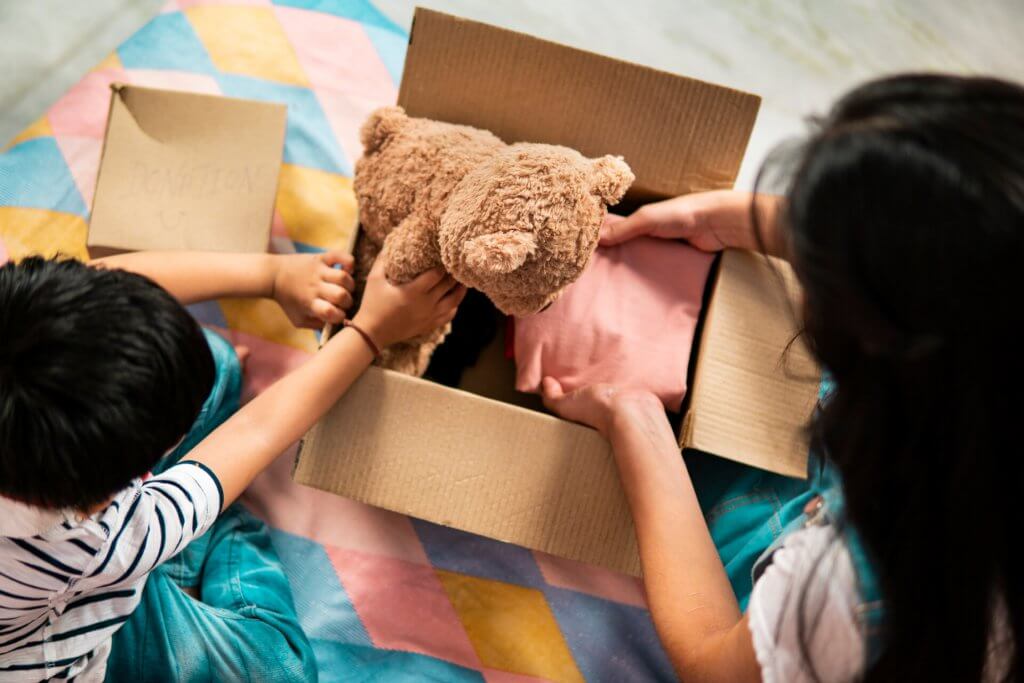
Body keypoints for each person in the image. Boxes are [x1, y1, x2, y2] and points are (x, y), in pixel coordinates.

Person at [543, 74, 1024, 682]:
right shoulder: (985, 355)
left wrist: (636, 423)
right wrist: (739, 219)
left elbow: (718, 664)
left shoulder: (864, 586)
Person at [0, 249, 465, 681]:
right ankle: (216, 529)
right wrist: (370, 333)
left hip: (64, 564)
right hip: (64, 631)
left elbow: (96, 289)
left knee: (214, 366)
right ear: (107, 494)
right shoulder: (99, 541)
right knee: (278, 667)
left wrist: (272, 274)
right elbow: (256, 432)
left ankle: (189, 526)